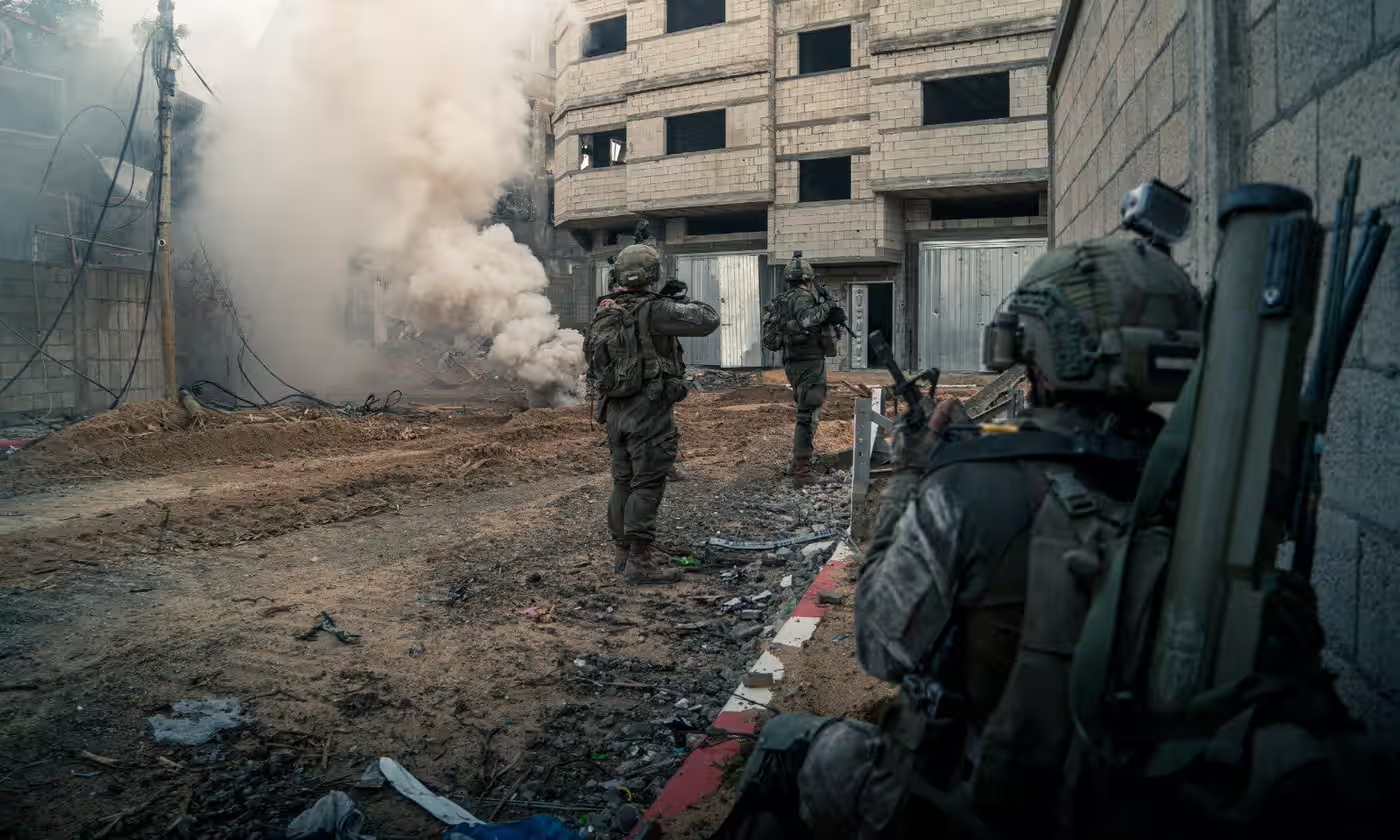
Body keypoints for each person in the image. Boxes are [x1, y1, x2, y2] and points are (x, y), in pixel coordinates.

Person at [713, 234, 1392, 839]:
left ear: (1034, 351)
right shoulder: (1216, 496)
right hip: (1150, 803)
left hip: (983, 802)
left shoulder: (973, 491)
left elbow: (880, 645)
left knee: (784, 747)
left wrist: (916, 471)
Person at [587, 242, 719, 584]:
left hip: (614, 410)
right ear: (653, 276)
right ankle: (640, 562)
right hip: (647, 409)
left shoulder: (607, 310)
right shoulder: (657, 309)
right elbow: (708, 319)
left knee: (622, 481)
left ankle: (622, 552)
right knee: (647, 483)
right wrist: (677, 299)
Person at [771, 253, 845, 486]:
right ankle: (801, 470)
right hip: (809, 362)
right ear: (808, 278)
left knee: (807, 410)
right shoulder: (804, 298)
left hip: (792, 362)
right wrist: (828, 306)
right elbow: (806, 320)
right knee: (807, 414)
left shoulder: (782, 300)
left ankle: (798, 463)